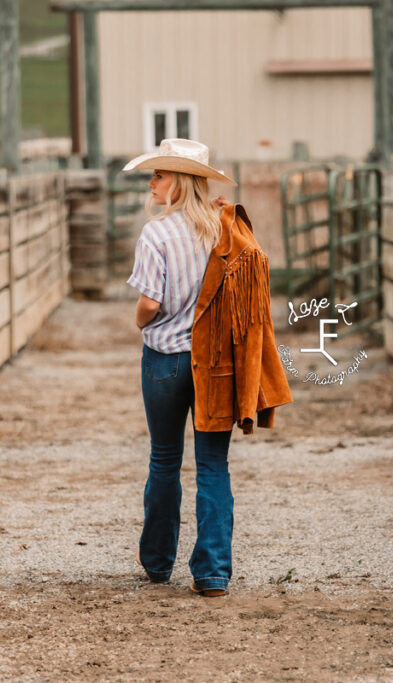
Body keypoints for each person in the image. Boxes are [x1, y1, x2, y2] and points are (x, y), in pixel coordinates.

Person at [124, 138, 292, 598]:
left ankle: (158, 564)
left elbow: (149, 304)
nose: (153, 183)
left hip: (164, 359)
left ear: (179, 182)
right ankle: (213, 573)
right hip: (215, 363)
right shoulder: (225, 230)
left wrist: (139, 320)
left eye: (159, 175)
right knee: (213, 466)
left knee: (164, 459)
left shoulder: (155, 235)